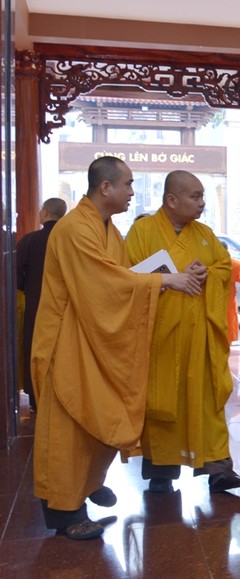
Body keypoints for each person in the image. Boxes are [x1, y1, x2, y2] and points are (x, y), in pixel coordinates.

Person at [32, 156, 201, 540]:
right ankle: (63, 510)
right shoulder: (75, 228)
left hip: (93, 335)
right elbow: (103, 283)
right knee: (68, 426)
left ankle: (85, 487)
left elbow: (124, 276)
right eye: (127, 185)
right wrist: (166, 282)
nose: (131, 193)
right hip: (68, 340)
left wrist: (171, 275)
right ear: (105, 188)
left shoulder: (107, 227)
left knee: (97, 418)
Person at [127, 170, 240, 495]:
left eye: (202, 196)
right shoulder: (142, 231)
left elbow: (224, 268)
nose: (202, 203)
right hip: (161, 338)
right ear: (172, 199)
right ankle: (161, 471)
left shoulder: (205, 234)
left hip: (200, 337)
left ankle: (219, 469)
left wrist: (206, 272)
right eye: (195, 196)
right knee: (163, 403)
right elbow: (128, 278)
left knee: (208, 401)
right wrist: (170, 280)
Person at [16, 197, 67, 410]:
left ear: (45, 213)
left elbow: (17, 276)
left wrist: (31, 291)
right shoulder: (69, 239)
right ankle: (63, 398)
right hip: (66, 308)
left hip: (36, 306)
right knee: (63, 351)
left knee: (35, 349)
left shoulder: (29, 240)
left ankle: (36, 398)